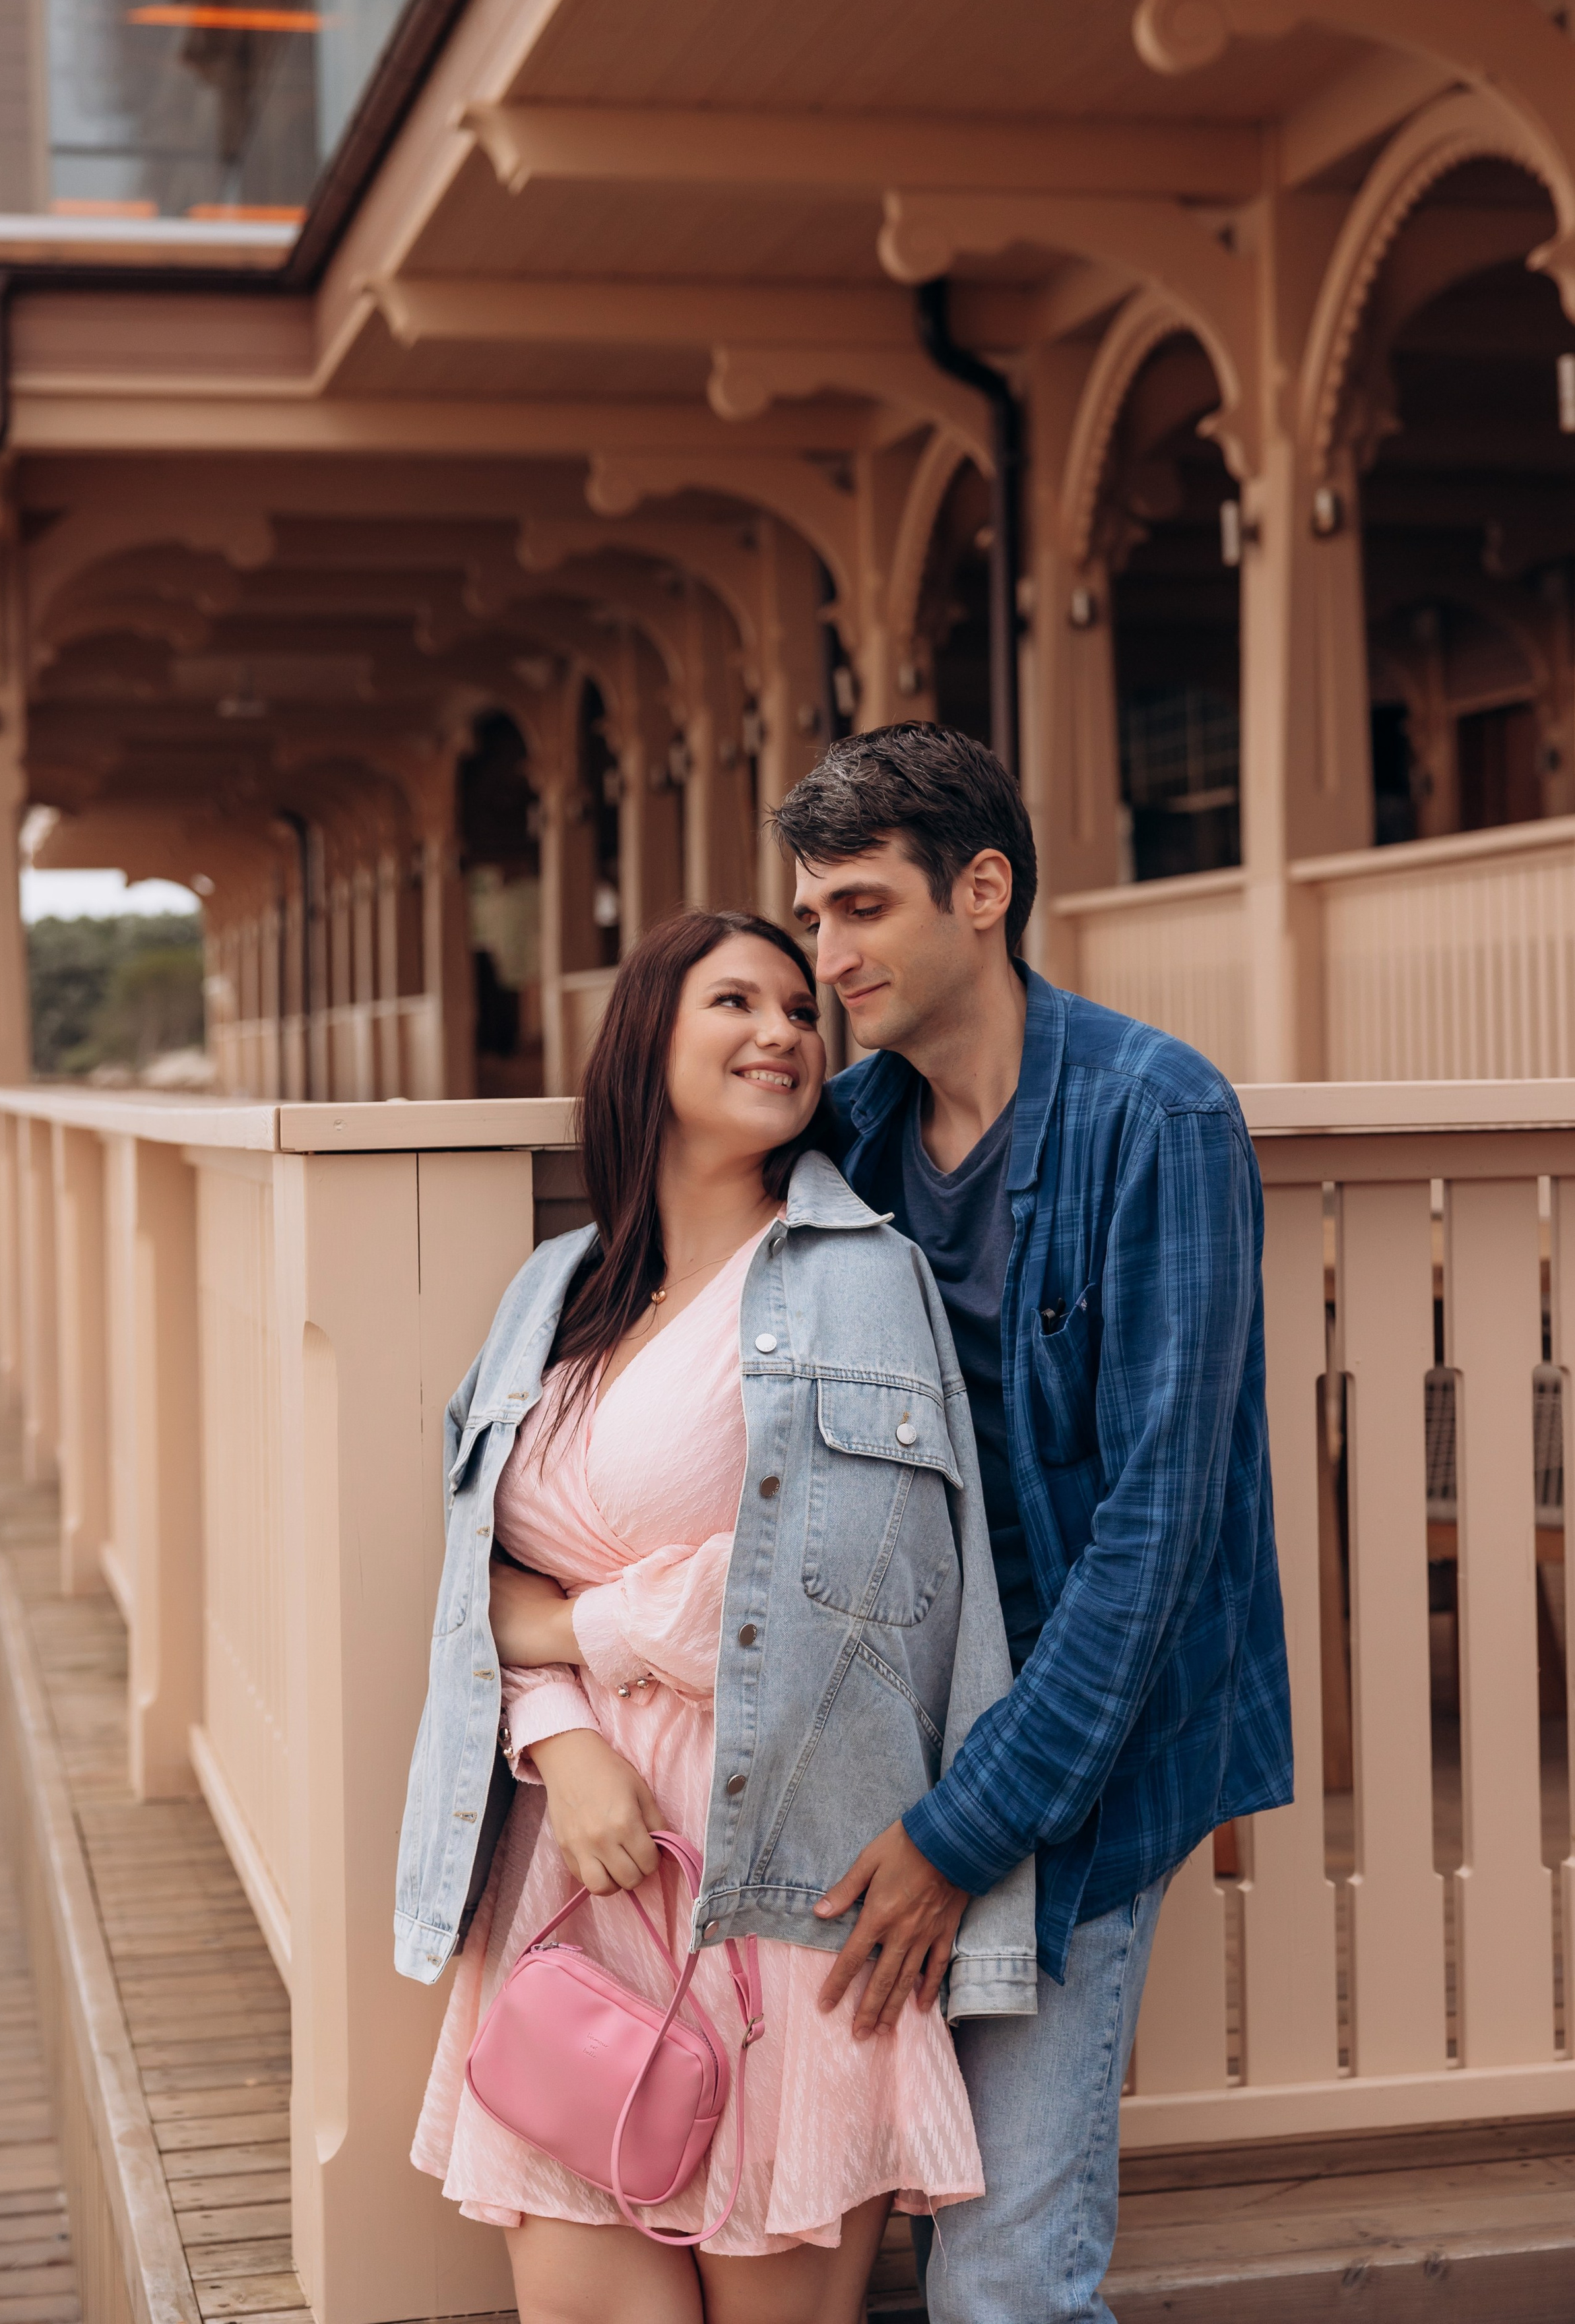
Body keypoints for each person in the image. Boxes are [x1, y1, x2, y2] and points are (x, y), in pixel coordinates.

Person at [394, 907, 1036, 2324]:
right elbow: (468, 1583)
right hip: (576, 1868)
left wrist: (566, 1634)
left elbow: (834, 1600)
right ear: (645, 1042)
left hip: (780, 1873)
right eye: (735, 1002)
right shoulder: (556, 1288)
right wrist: (563, 1741)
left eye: (801, 1011)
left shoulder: (860, 1281)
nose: (784, 1033)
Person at [774, 723, 1293, 2324]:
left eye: (859, 908)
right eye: (806, 918)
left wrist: (963, 1832)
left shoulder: (1159, 1119)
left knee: (1002, 2278)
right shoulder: (846, 1137)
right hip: (882, 1722)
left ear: (980, 889)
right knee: (824, 2215)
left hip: (1089, 1740)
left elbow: (1154, 1537)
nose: (824, 954)